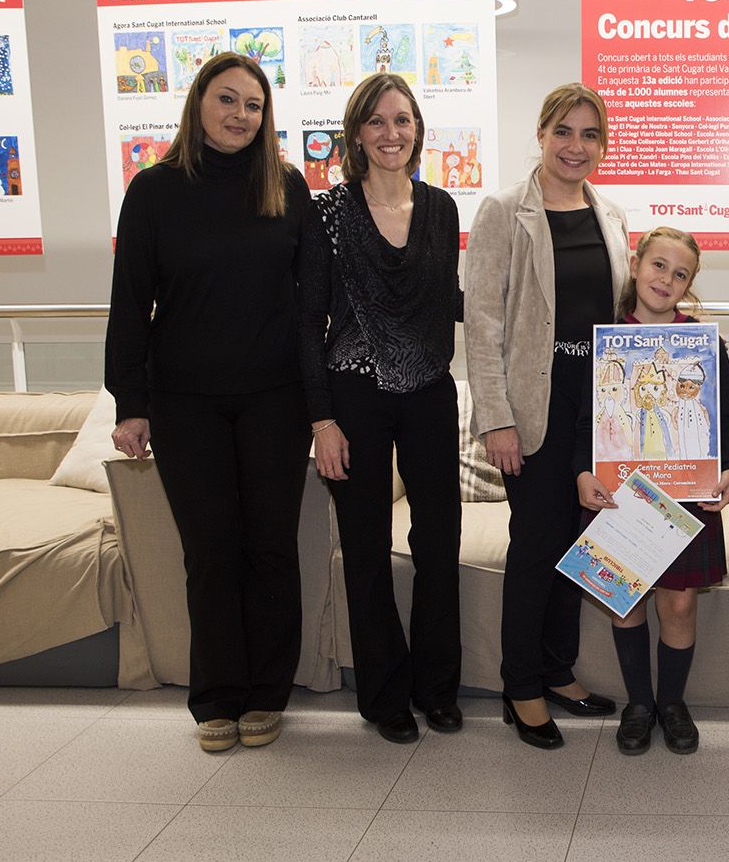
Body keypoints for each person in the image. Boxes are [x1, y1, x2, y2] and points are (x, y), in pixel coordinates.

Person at [105, 52, 313, 753]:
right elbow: (130, 302)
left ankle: (267, 693)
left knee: (270, 549)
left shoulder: (284, 186)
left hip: (275, 402)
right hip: (185, 403)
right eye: (227, 100)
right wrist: (129, 402)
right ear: (198, 104)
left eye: (253, 106)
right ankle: (216, 697)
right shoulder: (155, 191)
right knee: (210, 552)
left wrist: (321, 404)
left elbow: (312, 304)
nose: (239, 116)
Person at [300, 73, 464, 745]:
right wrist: (322, 420)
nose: (391, 133)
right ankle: (384, 696)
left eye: (402, 120)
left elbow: (446, 302)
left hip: (430, 393)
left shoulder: (443, 208)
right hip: (354, 400)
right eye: (377, 121)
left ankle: (437, 689)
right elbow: (307, 322)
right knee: (365, 551)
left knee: (438, 545)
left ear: (417, 129)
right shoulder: (327, 213)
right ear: (356, 134)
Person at [465, 82, 627, 749]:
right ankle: (521, 686)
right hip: (534, 405)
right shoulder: (504, 211)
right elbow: (482, 320)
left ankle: (558, 669)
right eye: (564, 131)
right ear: (541, 134)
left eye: (590, 135)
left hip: (598, 408)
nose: (575, 146)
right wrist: (495, 419)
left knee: (575, 545)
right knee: (537, 546)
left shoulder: (610, 215)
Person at [574, 227, 729, 756]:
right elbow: (583, 421)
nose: (666, 279)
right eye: (658, 266)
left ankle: (672, 703)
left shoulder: (704, 343)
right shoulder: (604, 341)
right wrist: (582, 473)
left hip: (686, 496)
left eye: (680, 273)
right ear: (636, 264)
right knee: (625, 602)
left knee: (680, 604)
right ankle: (639, 704)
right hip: (619, 496)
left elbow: (727, 426)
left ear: (689, 284)